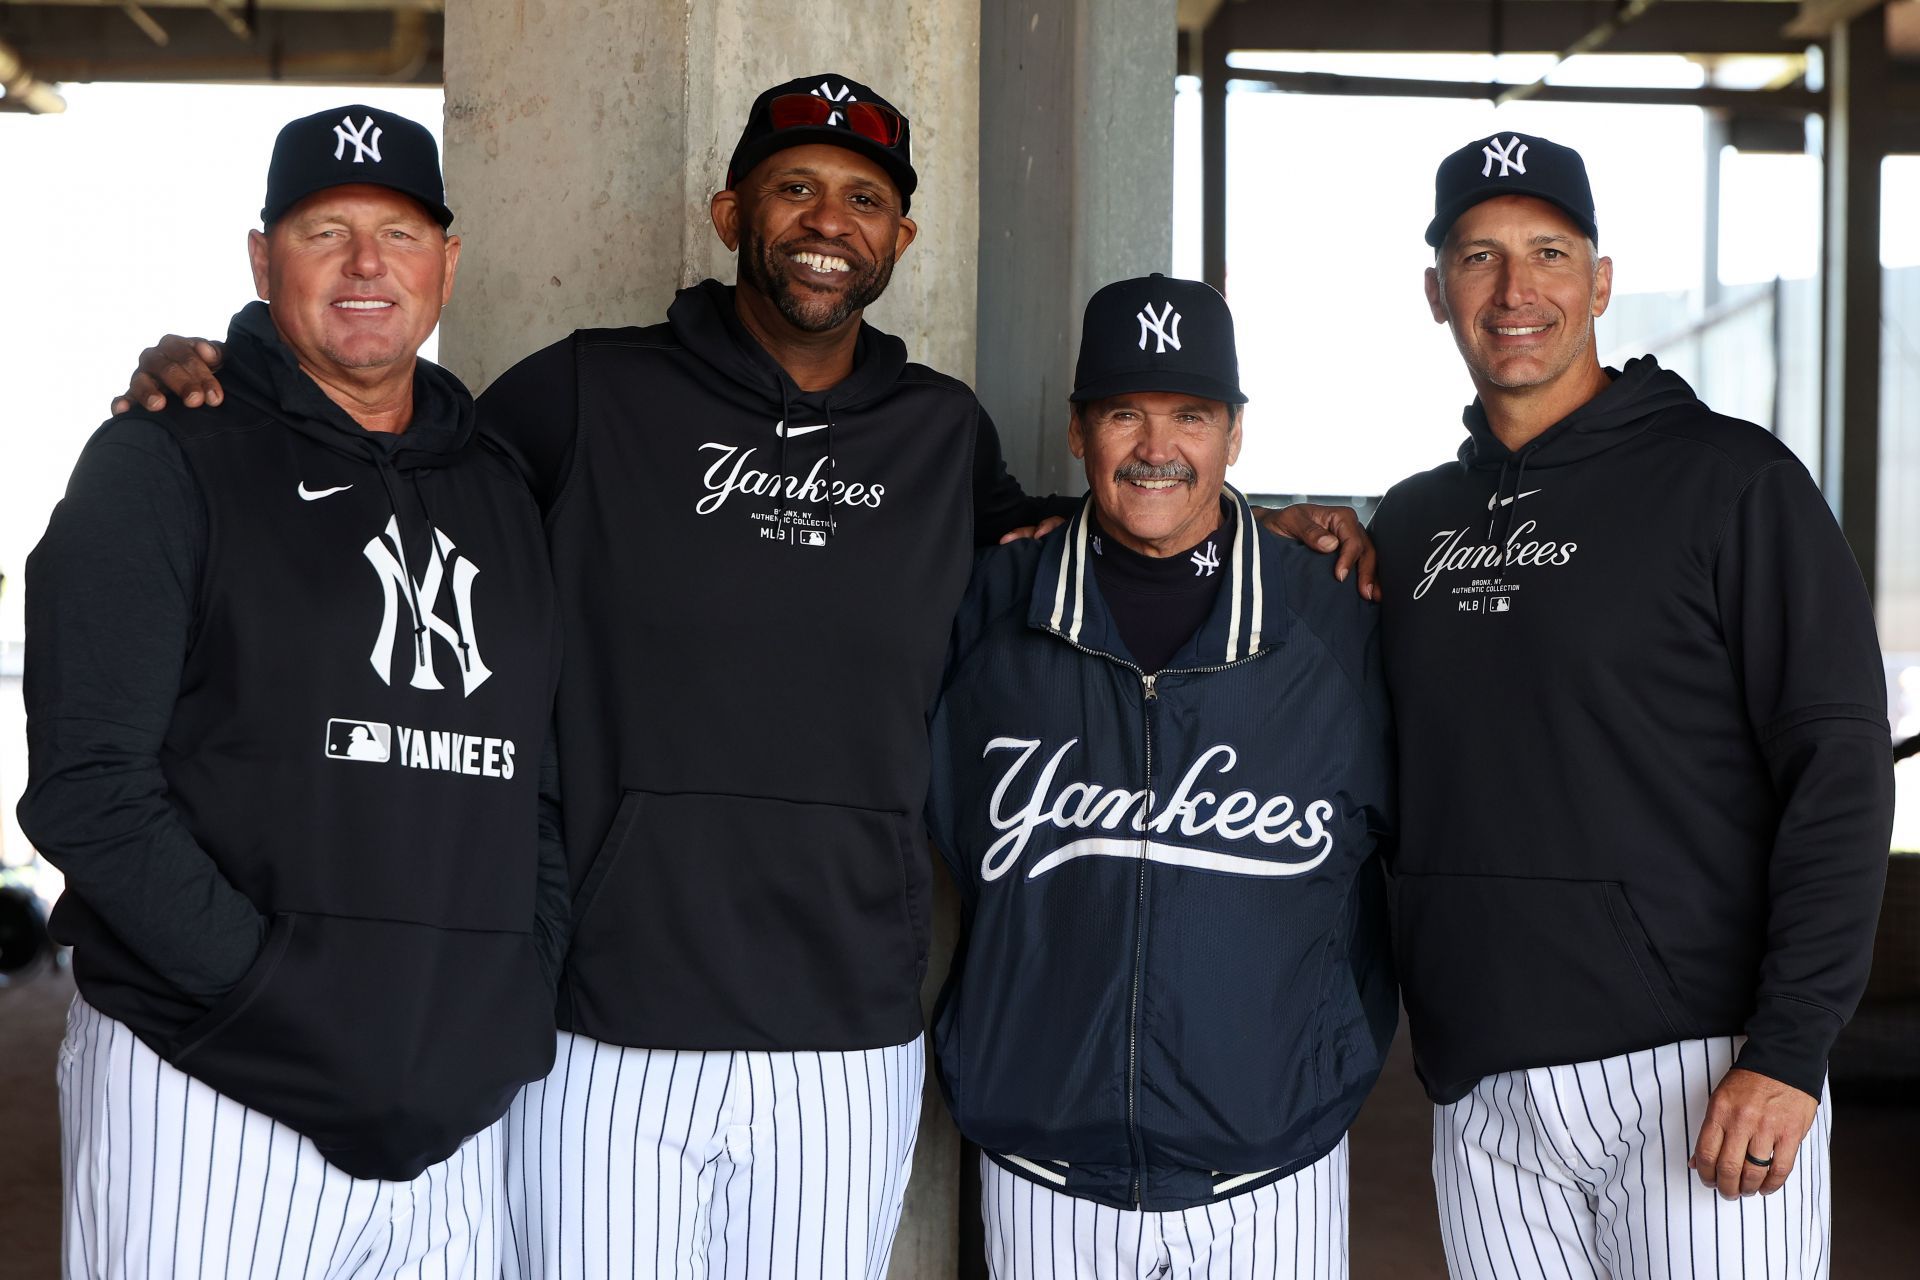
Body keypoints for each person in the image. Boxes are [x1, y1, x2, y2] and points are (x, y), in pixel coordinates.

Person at [106, 75, 1374, 1279]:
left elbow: (1104, 529)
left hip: (848, 1033)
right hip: (605, 1027)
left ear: (901, 234)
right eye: (794, 187)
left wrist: (1279, 529)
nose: (829, 221)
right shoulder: (588, 391)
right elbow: (389, 445)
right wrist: (227, 366)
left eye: (865, 198)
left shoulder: (940, 435)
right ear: (731, 213)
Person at [19, 105, 567, 1277]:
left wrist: (507, 1000)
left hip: (454, 1124)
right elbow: (87, 793)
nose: (368, 264)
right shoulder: (161, 461)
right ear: (263, 259)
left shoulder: (502, 490)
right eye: (327, 230)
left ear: (448, 265)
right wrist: (278, 993)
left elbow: (541, 789)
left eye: (400, 232)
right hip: (210, 1089)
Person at [1368, 131, 1893, 1279]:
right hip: (1486, 1085)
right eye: (1478, 256)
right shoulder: (1407, 528)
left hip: (1703, 1072)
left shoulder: (1734, 484)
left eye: (1549, 252)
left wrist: (1791, 1048)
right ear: (1435, 290)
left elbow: (1840, 769)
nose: (1516, 291)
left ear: (1600, 281)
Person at [926, 274, 1394, 1279]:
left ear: (1234, 435)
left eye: (1191, 413)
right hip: (1043, 1159)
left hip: (1275, 1163)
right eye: (1123, 412)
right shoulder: (986, 605)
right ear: (1076, 432)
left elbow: (1417, 853)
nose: (1155, 445)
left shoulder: (1336, 618)